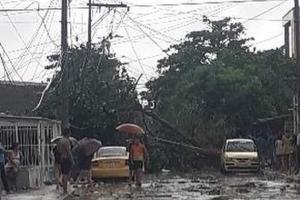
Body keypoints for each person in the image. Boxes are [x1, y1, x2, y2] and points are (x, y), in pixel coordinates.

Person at [57, 128, 73, 194]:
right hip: (66, 158)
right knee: (66, 175)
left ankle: (64, 189)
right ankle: (65, 190)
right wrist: (72, 160)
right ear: (68, 133)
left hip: (62, 158)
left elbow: (58, 150)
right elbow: (68, 151)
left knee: (64, 174)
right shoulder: (66, 141)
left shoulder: (60, 141)